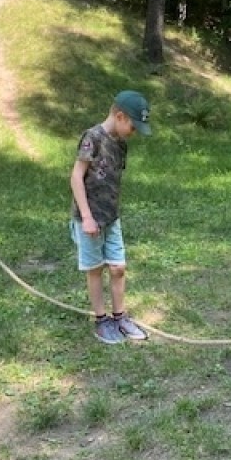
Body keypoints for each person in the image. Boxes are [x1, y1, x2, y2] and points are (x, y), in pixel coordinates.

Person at [70, 90, 153, 344]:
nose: (134, 132)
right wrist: (87, 217)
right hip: (90, 219)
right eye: (133, 126)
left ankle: (120, 317)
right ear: (119, 116)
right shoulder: (92, 138)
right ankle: (101, 320)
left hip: (111, 218)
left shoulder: (120, 143)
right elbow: (76, 177)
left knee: (118, 268)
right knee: (95, 269)